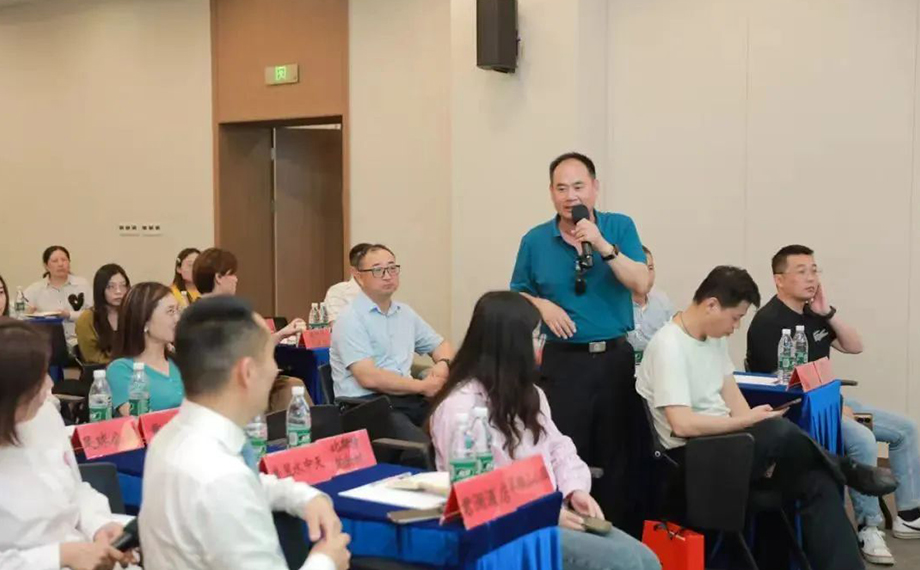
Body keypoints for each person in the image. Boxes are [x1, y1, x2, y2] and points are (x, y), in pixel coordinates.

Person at [637, 265, 897, 570]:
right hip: (692, 460)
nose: (736, 327)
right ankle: (846, 469)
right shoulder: (669, 346)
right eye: (735, 318)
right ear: (712, 305)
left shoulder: (713, 339)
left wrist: (753, 419)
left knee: (817, 480)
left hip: (729, 447)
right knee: (779, 431)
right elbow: (682, 424)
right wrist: (748, 423)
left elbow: (735, 402)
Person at [430, 292, 660, 570]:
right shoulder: (461, 407)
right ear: (512, 345)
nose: (538, 347)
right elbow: (475, 493)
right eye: (534, 337)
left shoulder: (530, 394)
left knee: (647, 558)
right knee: (625, 562)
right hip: (503, 531)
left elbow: (558, 448)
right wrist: (544, 514)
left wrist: (574, 490)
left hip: (549, 515)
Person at [139, 296, 351, 570]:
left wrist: (304, 497)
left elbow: (249, 483)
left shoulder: (171, 436)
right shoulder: (222, 479)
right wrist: (327, 560)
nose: (275, 369)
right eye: (270, 357)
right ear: (247, 372)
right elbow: (232, 487)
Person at [746, 245, 920, 565]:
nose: (811, 278)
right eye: (801, 271)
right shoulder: (768, 322)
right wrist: (835, 406)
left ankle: (909, 515)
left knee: (906, 429)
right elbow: (783, 387)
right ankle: (869, 526)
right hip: (799, 411)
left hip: (831, 400)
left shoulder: (815, 314)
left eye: (814, 270)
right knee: (862, 439)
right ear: (779, 280)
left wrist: (828, 313)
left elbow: (855, 346)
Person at [510, 152, 650, 528]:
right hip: (563, 363)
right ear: (551, 193)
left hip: (614, 360)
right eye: (561, 188)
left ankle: (618, 539)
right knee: (566, 453)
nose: (570, 196)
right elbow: (516, 295)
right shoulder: (535, 240)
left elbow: (641, 283)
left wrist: (603, 245)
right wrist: (542, 305)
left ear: (595, 188)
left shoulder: (619, 227)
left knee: (619, 457)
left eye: (578, 186)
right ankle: (569, 537)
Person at [0, 318, 135, 570]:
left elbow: (75, 489)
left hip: (81, 549)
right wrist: (60, 556)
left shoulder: (44, 416)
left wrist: (100, 526)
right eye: (39, 380)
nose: (50, 385)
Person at [330, 244, 454, 442]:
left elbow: (441, 345)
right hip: (364, 406)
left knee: (457, 431)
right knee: (422, 447)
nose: (388, 276)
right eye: (378, 270)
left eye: (392, 268)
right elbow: (368, 378)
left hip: (407, 398)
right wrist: (422, 386)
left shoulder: (405, 313)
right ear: (359, 277)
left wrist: (442, 364)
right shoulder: (350, 318)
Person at [193, 247, 308, 411]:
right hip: (225, 386)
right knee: (289, 388)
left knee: (293, 386)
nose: (236, 279)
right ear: (219, 278)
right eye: (232, 274)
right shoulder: (203, 317)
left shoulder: (229, 310)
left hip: (246, 379)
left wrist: (282, 333)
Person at [107, 283, 184, 416]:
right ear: (145, 321)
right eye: (170, 311)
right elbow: (138, 419)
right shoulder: (121, 369)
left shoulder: (180, 362)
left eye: (178, 310)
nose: (177, 318)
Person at [23, 246, 92, 349]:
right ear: (46, 266)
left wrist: (69, 315)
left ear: (69, 263)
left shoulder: (82, 284)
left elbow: (93, 313)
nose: (60, 264)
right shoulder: (35, 289)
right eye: (55, 261)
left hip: (80, 341)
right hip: (49, 343)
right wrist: (28, 313)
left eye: (64, 260)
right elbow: (19, 313)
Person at [626, 246, 675, 363]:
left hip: (656, 367)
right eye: (642, 270)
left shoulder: (662, 301)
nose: (647, 275)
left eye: (651, 268)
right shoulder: (615, 305)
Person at [75, 264, 130, 365]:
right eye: (111, 287)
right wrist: (123, 365)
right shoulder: (87, 319)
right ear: (100, 289)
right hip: (102, 370)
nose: (118, 291)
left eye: (123, 285)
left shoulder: (133, 313)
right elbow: (91, 357)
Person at [323, 243, 369, 325]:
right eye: (376, 269)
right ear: (355, 271)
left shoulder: (384, 291)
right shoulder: (338, 292)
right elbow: (338, 326)